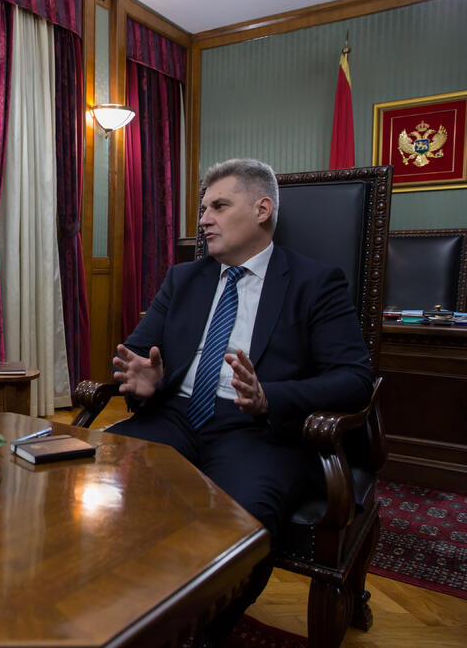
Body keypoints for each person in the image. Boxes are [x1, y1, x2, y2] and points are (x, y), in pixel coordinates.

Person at [107, 158, 373, 642]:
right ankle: (109, 605)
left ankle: (197, 632)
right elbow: (137, 353)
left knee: (237, 531)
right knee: (97, 481)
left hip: (259, 432)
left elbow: (355, 378)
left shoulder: (316, 282)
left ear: (262, 210)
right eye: (203, 207)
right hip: (175, 418)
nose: (203, 218)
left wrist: (272, 396)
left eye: (219, 206)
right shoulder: (183, 279)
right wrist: (145, 380)